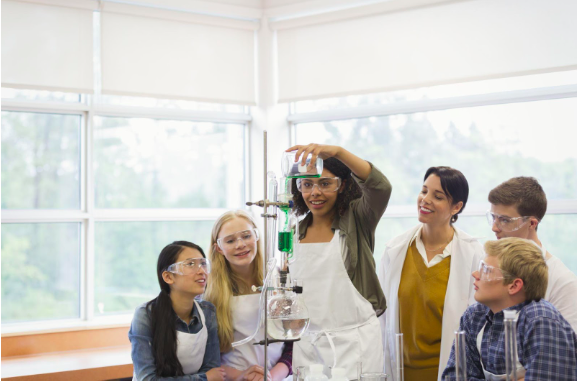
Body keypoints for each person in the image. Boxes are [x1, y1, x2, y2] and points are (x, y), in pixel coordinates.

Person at [287, 143, 392, 380]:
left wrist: (337, 153)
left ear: (342, 185)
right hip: (309, 345)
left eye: (325, 183)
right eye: (307, 184)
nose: (315, 193)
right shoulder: (294, 233)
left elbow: (380, 186)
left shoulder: (358, 219)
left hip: (355, 344)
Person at [378, 166, 483, 381]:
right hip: (399, 372)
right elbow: (380, 318)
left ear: (456, 207)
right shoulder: (395, 249)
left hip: (448, 372)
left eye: (438, 196)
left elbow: (478, 327)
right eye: (424, 191)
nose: (425, 199)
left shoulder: (472, 253)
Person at [442, 238, 577, 380]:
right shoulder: (475, 315)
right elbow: (453, 377)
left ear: (513, 286)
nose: (475, 274)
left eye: (486, 270)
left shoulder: (541, 320)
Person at [203, 210, 292, 381]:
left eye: (246, 236)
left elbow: (294, 343)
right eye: (230, 240)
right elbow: (205, 359)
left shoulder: (280, 281)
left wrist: (270, 377)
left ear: (256, 237)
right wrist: (243, 376)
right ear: (218, 248)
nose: (240, 244)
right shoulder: (209, 293)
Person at [487, 176, 577, 331]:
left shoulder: (562, 281)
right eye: (493, 218)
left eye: (504, 220)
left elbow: (567, 349)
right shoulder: (487, 267)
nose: (494, 228)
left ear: (532, 223)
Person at [129, 241, 225, 381]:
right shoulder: (145, 315)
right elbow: (147, 379)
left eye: (203, 263)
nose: (202, 271)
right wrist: (203, 378)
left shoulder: (207, 311)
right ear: (168, 277)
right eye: (190, 264)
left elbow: (213, 370)